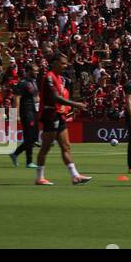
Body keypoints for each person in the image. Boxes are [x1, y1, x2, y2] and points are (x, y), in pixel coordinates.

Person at [34, 53, 92, 186]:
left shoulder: (60, 78)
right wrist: (75, 104)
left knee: (66, 146)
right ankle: (39, 177)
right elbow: (55, 97)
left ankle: (75, 176)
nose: (65, 66)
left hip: (58, 115)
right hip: (49, 114)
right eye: (63, 63)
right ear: (54, 63)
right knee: (45, 147)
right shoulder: (49, 77)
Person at [8, 63, 40, 168]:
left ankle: (15, 153)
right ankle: (29, 161)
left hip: (34, 111)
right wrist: (17, 114)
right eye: (35, 70)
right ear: (28, 71)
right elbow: (17, 99)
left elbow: (36, 97)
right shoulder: (23, 83)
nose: (37, 72)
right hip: (26, 112)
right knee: (29, 138)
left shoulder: (33, 82)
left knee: (33, 139)